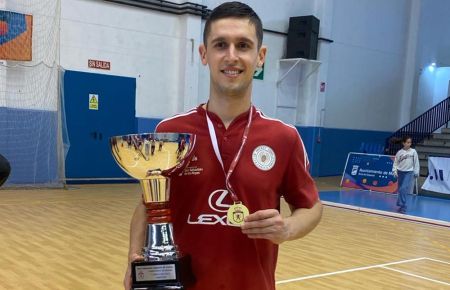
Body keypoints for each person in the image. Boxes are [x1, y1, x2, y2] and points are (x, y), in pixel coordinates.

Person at [124, 2, 322, 290]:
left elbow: (311, 207)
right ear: (204, 54)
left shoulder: (284, 137)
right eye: (220, 45)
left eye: (243, 45)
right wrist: (135, 257)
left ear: (260, 56)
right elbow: (148, 206)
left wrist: (288, 228)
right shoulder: (170, 133)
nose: (232, 56)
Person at [392, 136, 419, 214]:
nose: (409, 144)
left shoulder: (413, 152)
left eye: (410, 142)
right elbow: (395, 163)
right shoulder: (399, 152)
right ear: (403, 143)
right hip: (400, 172)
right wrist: (394, 171)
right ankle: (400, 204)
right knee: (400, 189)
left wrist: (416, 172)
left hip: (409, 172)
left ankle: (403, 206)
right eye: (407, 142)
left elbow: (416, 162)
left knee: (403, 189)